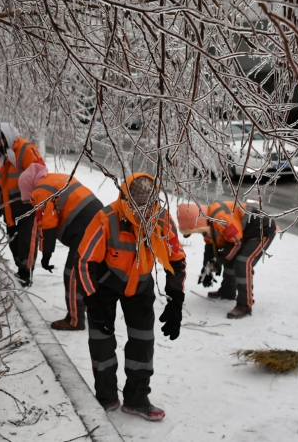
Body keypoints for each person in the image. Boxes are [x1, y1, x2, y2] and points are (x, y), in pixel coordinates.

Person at [77, 173, 186, 421]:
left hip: (140, 287)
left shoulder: (161, 220)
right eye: (138, 211)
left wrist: (176, 299)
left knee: (143, 341)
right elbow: (84, 262)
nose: (144, 217)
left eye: (148, 210)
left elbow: (176, 260)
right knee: (102, 341)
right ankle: (105, 396)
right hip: (104, 285)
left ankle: (136, 398)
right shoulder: (107, 218)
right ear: (126, 203)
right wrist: (93, 301)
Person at [18, 163, 104, 331]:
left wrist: (46, 255)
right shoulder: (58, 177)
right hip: (102, 219)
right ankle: (91, 307)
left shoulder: (40, 192)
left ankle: (75, 319)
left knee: (72, 274)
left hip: (84, 228)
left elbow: (48, 225)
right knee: (90, 269)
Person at [177, 200, 276, 319]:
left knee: (243, 263)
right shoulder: (207, 226)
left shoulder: (221, 219)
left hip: (260, 229)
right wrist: (207, 268)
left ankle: (245, 305)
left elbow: (236, 243)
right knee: (230, 258)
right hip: (242, 233)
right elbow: (210, 247)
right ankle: (228, 291)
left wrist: (219, 261)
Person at [0, 122, 45, 287]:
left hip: (29, 204)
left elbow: (41, 174)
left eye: (0, 142)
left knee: (26, 241)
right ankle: (20, 266)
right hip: (9, 205)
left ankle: (26, 272)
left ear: (7, 137)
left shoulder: (26, 149)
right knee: (13, 239)